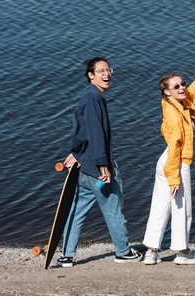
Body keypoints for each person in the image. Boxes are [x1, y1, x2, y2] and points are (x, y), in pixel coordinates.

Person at [57, 57, 141, 268]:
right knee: (112, 208)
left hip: (83, 166)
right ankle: (123, 252)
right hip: (97, 168)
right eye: (101, 71)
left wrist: (75, 153)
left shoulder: (87, 97)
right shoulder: (94, 98)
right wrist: (103, 165)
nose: (107, 74)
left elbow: (81, 133)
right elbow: (96, 134)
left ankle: (67, 255)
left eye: (108, 70)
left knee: (76, 211)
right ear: (91, 76)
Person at [142, 52, 195, 265]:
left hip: (165, 162)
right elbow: (175, 146)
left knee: (160, 205)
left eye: (182, 83)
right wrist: (174, 178)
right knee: (182, 207)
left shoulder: (178, 103)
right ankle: (182, 252)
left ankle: (151, 252)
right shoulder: (174, 115)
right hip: (176, 163)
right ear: (167, 92)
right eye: (176, 87)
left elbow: (194, 91)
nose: (182, 87)